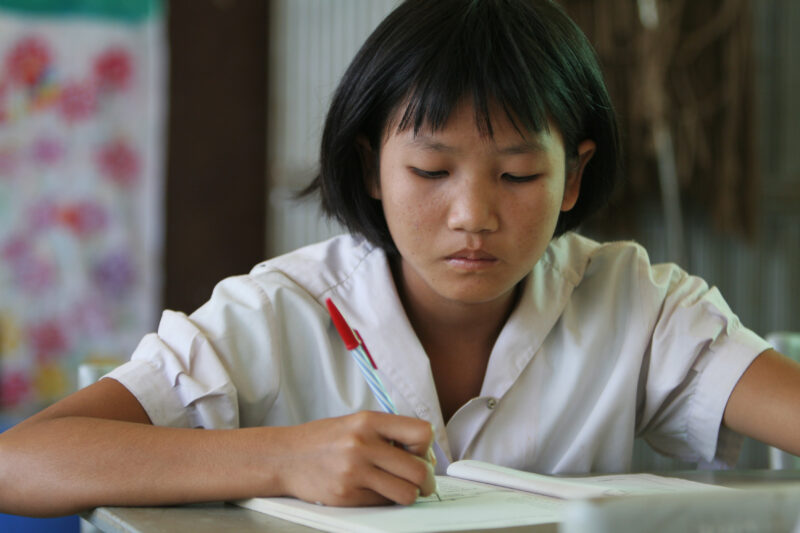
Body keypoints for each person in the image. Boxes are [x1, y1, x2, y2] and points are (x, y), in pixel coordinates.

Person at [1, 0, 799, 518]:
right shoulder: (276, 310)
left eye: (519, 174)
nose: (473, 215)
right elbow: (21, 462)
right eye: (430, 169)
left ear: (575, 176)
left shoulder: (638, 304)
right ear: (370, 168)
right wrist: (281, 457)